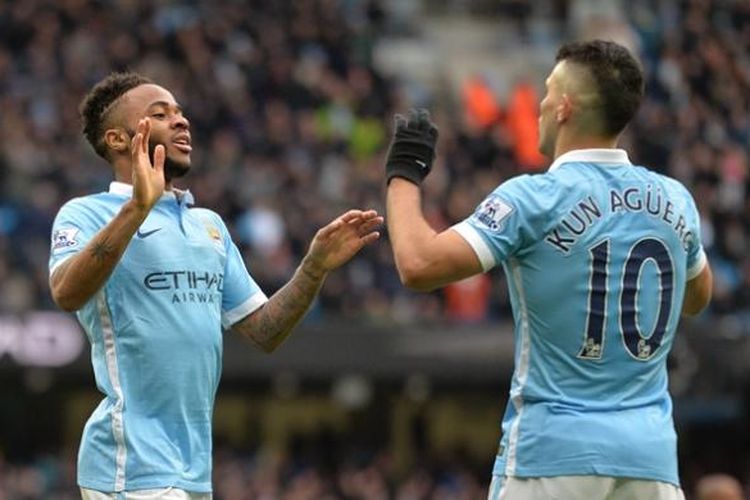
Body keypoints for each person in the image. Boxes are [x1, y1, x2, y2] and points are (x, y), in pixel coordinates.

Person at [384, 40, 713, 500]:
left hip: (552, 454)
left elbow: (418, 265)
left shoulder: (533, 198)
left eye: (545, 91)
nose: (538, 104)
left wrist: (404, 172)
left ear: (563, 108)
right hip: (651, 461)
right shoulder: (676, 200)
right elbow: (698, 298)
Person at [48, 72, 383, 499]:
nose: (181, 121)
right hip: (128, 463)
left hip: (192, 469)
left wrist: (314, 267)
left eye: (180, 112)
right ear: (118, 139)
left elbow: (264, 331)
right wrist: (137, 208)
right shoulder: (86, 214)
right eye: (160, 114)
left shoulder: (208, 226)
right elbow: (66, 293)